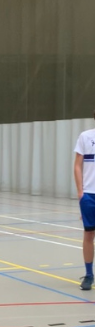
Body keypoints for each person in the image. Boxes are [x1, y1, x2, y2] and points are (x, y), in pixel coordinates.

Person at [73, 125, 96, 291]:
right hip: (89, 194)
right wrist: (81, 192)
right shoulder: (86, 136)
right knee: (89, 233)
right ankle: (89, 275)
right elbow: (77, 165)